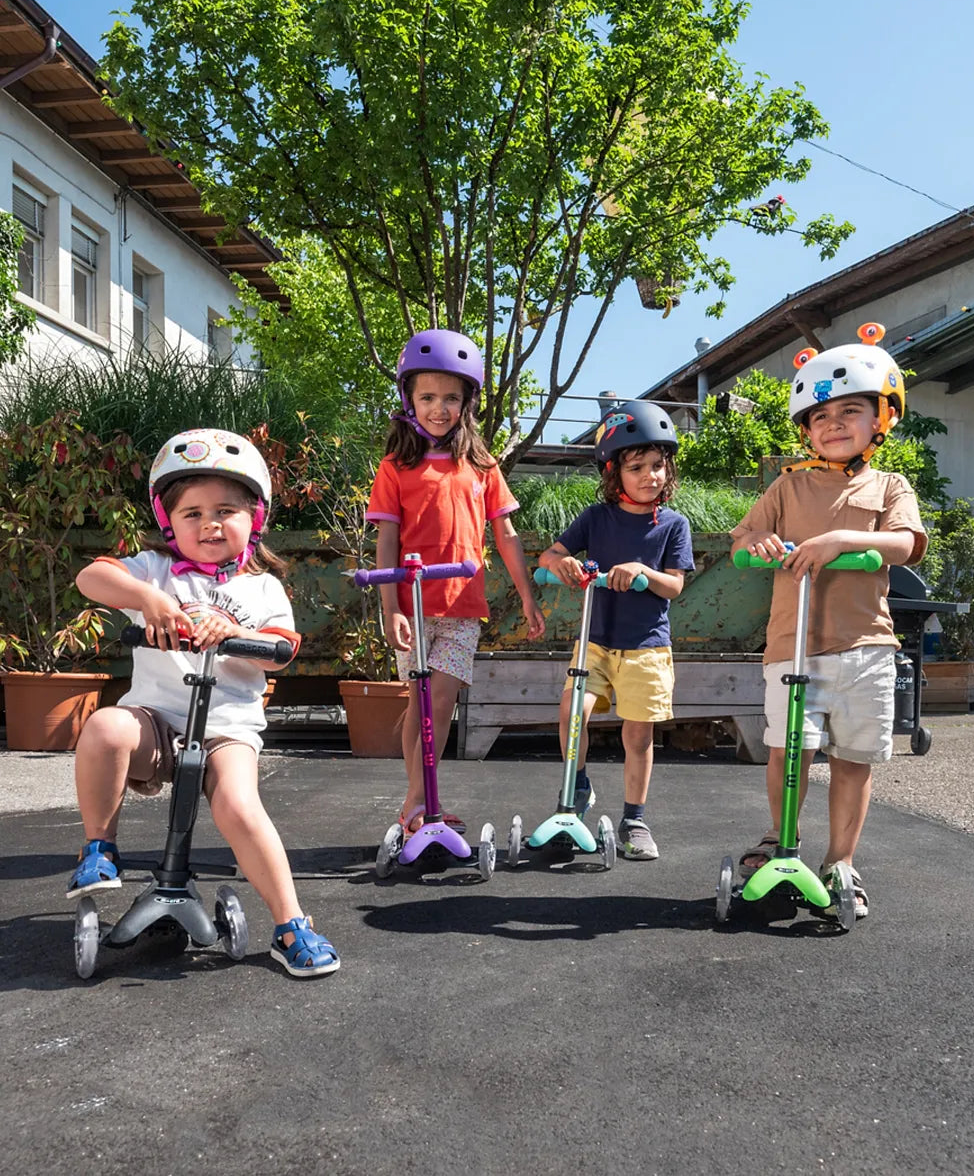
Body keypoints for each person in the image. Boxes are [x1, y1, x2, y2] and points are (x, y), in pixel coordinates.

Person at [66, 429, 339, 978]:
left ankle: (291, 925)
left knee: (239, 805)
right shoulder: (154, 570)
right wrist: (149, 599)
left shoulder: (262, 588)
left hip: (226, 729)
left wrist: (237, 629)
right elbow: (90, 577)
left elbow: (282, 650)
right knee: (105, 727)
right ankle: (99, 847)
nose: (209, 523)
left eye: (225, 510)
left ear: (253, 517)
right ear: (170, 524)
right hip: (157, 724)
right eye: (190, 513)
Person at [730, 323, 928, 918]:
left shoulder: (890, 486)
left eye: (850, 411)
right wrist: (759, 541)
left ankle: (840, 858)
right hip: (793, 648)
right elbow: (743, 538)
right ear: (805, 430)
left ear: (881, 420)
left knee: (854, 758)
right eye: (819, 416)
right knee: (787, 751)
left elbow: (904, 544)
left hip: (865, 646)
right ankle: (779, 840)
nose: (833, 423)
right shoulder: (786, 488)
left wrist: (841, 538)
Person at [366, 328, 545, 836]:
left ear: (467, 402)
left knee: (441, 702)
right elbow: (386, 543)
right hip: (414, 605)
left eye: (450, 397)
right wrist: (390, 608)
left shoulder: (482, 466)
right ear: (409, 399)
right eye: (427, 397)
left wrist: (527, 597)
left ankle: (420, 801)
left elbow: (505, 534)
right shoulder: (395, 467)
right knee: (420, 702)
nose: (438, 408)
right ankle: (419, 802)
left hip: (463, 605)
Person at [537, 400, 694, 860]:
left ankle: (635, 818)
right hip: (597, 642)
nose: (651, 475)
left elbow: (675, 586)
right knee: (572, 712)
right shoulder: (595, 518)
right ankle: (577, 789)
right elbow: (549, 557)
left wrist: (639, 570)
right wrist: (562, 562)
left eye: (658, 466)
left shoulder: (673, 525)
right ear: (614, 473)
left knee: (638, 736)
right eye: (638, 467)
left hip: (646, 648)